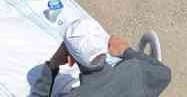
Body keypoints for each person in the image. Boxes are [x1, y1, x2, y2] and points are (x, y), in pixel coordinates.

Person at [31, 16, 173, 97]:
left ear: (71, 59)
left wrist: (52, 65)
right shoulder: (135, 70)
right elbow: (165, 73)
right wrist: (127, 51)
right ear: (107, 46)